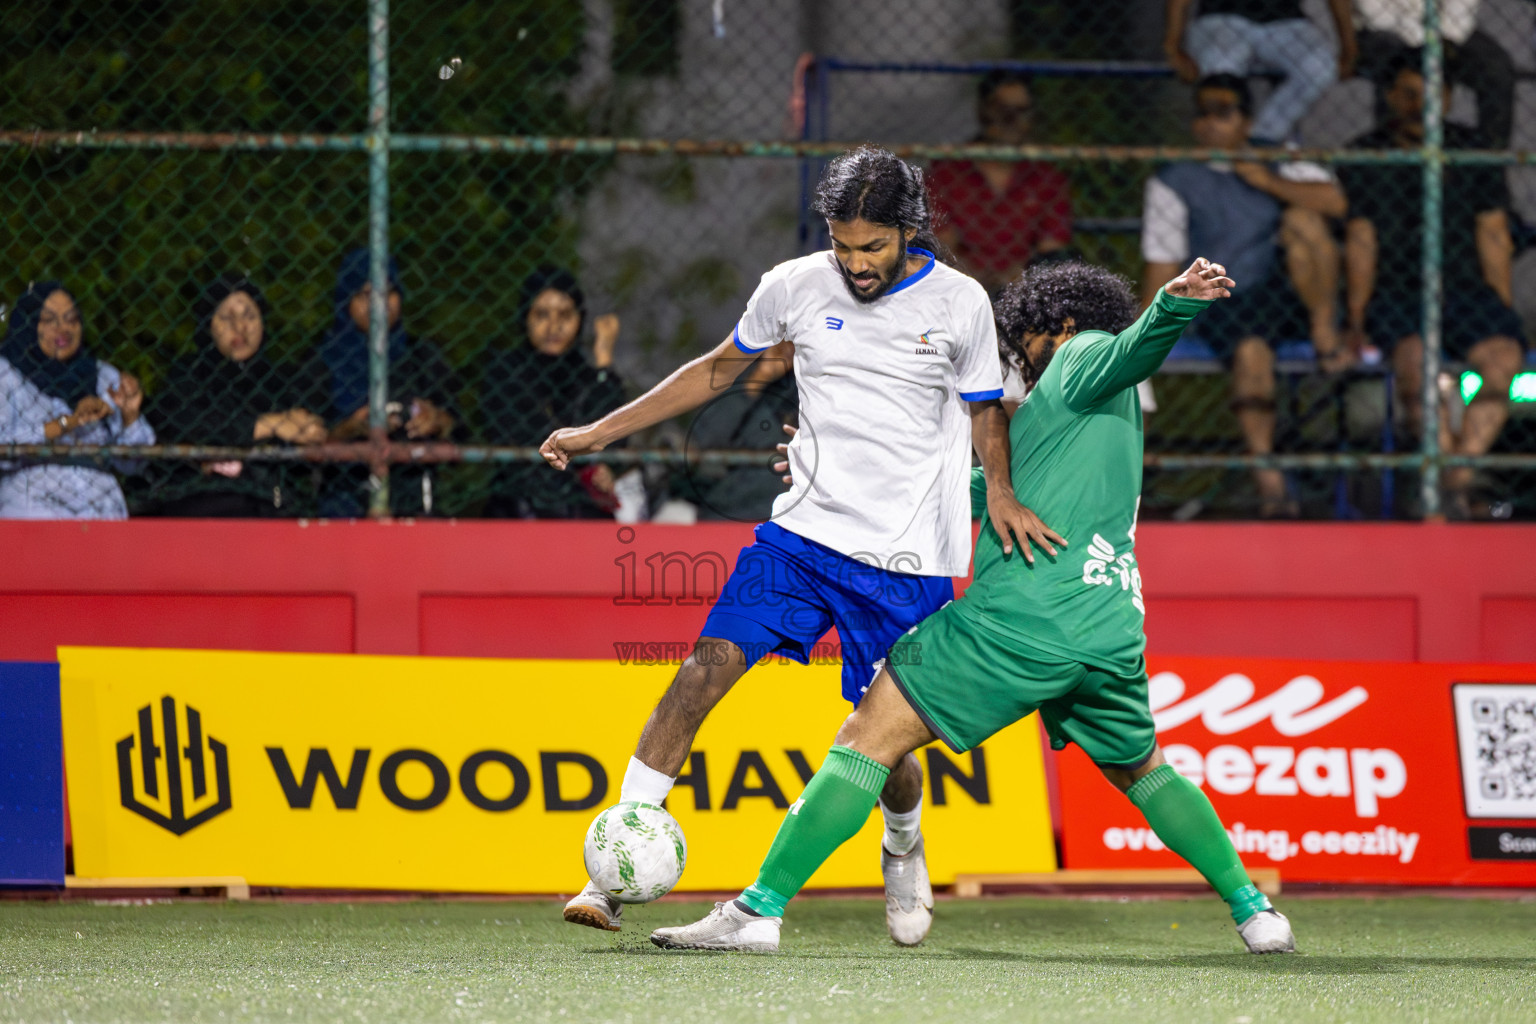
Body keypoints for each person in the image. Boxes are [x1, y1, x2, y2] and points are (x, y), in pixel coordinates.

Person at [650, 258, 1296, 957]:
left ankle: (758, 911)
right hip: (1111, 626)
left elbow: (1129, 348)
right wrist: (825, 470)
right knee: (1143, 769)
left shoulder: (1080, 355)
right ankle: (1257, 914)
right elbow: (961, 486)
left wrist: (1170, 305)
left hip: (1022, 619)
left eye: (1022, 344)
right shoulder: (1081, 420)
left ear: (1061, 326)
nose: (1017, 364)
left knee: (866, 736)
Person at [542, 145, 1059, 945]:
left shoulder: (959, 302)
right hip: (801, 536)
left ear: (909, 231)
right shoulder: (791, 285)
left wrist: (1004, 494)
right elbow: (717, 371)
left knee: (884, 737)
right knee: (697, 675)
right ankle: (614, 865)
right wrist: (598, 432)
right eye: (844, 245)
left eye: (873, 248)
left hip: (905, 558)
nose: (856, 264)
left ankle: (903, 841)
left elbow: (987, 410)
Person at [1140, 74, 1347, 517]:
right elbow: (1161, 265)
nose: (1212, 123)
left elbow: (1337, 203)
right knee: (1252, 349)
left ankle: (1324, 329)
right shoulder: (1175, 181)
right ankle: (1267, 477)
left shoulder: (1279, 162)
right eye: (1203, 113)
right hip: (1224, 297)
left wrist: (1263, 178)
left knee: (1304, 223)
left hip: (1290, 292)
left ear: (1246, 120)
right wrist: (1144, 334)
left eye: (1224, 112)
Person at [1338, 51, 1525, 516]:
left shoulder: (1473, 148)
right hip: (1397, 293)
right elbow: (1362, 239)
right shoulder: (1367, 153)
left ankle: (1456, 479)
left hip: (1465, 290)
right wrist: (1358, 316)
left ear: (1447, 98)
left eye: (1432, 95)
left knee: (1503, 359)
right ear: (1391, 97)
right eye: (1409, 94)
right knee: (1418, 369)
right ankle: (1443, 498)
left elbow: (1493, 232)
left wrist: (1499, 305)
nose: (1421, 104)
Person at [146, 274, 325, 517]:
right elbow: (188, 425)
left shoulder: (282, 379)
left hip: (271, 509)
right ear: (207, 324)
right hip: (200, 507)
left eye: (249, 316)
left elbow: (309, 430)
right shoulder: (189, 374)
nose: (239, 327)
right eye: (226, 317)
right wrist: (268, 425)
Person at [313, 248, 461, 517]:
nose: (378, 304)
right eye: (365, 294)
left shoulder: (422, 357)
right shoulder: (322, 360)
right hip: (342, 507)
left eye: (388, 292)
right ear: (346, 300)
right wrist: (350, 429)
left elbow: (460, 428)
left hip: (414, 506)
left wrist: (436, 420)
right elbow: (304, 442)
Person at [477, 267, 627, 518]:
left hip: (581, 512)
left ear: (579, 319)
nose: (554, 326)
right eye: (542, 315)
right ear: (525, 318)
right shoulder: (506, 371)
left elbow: (615, 433)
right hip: (520, 507)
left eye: (565, 315)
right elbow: (513, 431)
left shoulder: (587, 376)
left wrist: (603, 361)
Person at [0, 282, 154, 519]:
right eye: (50, 320)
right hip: (33, 506)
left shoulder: (102, 375)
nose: (64, 329)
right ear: (28, 324)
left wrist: (130, 416)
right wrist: (66, 424)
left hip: (100, 509)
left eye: (72, 320)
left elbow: (133, 465)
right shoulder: (6, 374)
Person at [929, 71, 1072, 296]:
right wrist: (977, 283)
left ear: (1033, 116)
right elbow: (941, 247)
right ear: (982, 110)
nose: (1011, 120)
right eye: (1001, 110)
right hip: (956, 290)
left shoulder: (1046, 179)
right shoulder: (947, 172)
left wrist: (1013, 280)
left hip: (1025, 292)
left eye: (1021, 111)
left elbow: (1051, 251)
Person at [1164, 0, 1355, 144]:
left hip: (1285, 22)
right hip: (1221, 17)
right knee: (1221, 67)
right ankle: (1222, 148)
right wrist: (1172, 45)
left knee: (1320, 65)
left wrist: (1348, 47)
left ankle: (1261, 140)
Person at [1354, 0, 1514, 147]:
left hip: (1445, 28)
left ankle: (1490, 164)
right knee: (1393, 65)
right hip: (1384, 29)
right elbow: (1376, 14)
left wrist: (1445, 36)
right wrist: (1424, 40)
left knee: (1496, 68)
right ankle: (1390, 161)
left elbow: (1460, 8)